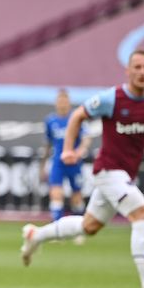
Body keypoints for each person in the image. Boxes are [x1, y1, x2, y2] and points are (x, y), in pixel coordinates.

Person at [20, 49, 144, 288]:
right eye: (137, 67)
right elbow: (77, 115)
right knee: (141, 214)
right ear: (127, 71)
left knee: (89, 226)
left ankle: (35, 236)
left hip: (125, 175)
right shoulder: (111, 99)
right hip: (107, 171)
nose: (142, 72)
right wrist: (69, 149)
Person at [40, 89, 92, 222]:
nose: (62, 104)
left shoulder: (76, 118)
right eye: (60, 101)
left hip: (74, 163)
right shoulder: (50, 121)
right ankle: (57, 228)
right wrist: (43, 165)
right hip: (58, 162)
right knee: (56, 193)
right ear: (56, 103)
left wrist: (79, 152)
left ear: (69, 103)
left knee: (77, 196)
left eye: (65, 101)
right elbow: (47, 144)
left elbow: (87, 138)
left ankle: (80, 229)